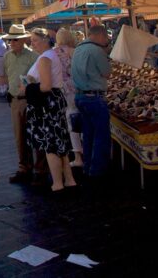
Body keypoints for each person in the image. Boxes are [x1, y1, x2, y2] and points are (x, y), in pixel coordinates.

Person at [25, 28, 77, 193]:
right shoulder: (49, 56)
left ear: (45, 40)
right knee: (60, 142)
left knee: (51, 144)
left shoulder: (45, 58)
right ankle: (68, 180)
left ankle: (58, 183)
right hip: (54, 101)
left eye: (34, 40)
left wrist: (28, 87)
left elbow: (46, 86)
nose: (32, 43)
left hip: (48, 103)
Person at [71, 25, 113, 180]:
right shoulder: (96, 50)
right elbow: (107, 73)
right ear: (99, 35)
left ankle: (88, 166)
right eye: (105, 38)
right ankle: (98, 170)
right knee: (101, 135)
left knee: (88, 134)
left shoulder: (78, 49)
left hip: (80, 97)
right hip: (94, 97)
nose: (106, 40)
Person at [1, 24, 41, 184]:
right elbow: (5, 75)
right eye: (11, 40)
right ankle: (24, 167)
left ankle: (40, 169)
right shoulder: (7, 56)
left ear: (24, 40)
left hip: (31, 100)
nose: (12, 43)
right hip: (15, 101)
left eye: (16, 40)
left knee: (36, 135)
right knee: (19, 136)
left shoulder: (34, 56)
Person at [53, 28, 83, 168]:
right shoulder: (76, 51)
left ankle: (78, 156)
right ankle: (85, 151)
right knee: (82, 120)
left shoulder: (56, 52)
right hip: (79, 87)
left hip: (64, 89)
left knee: (71, 122)